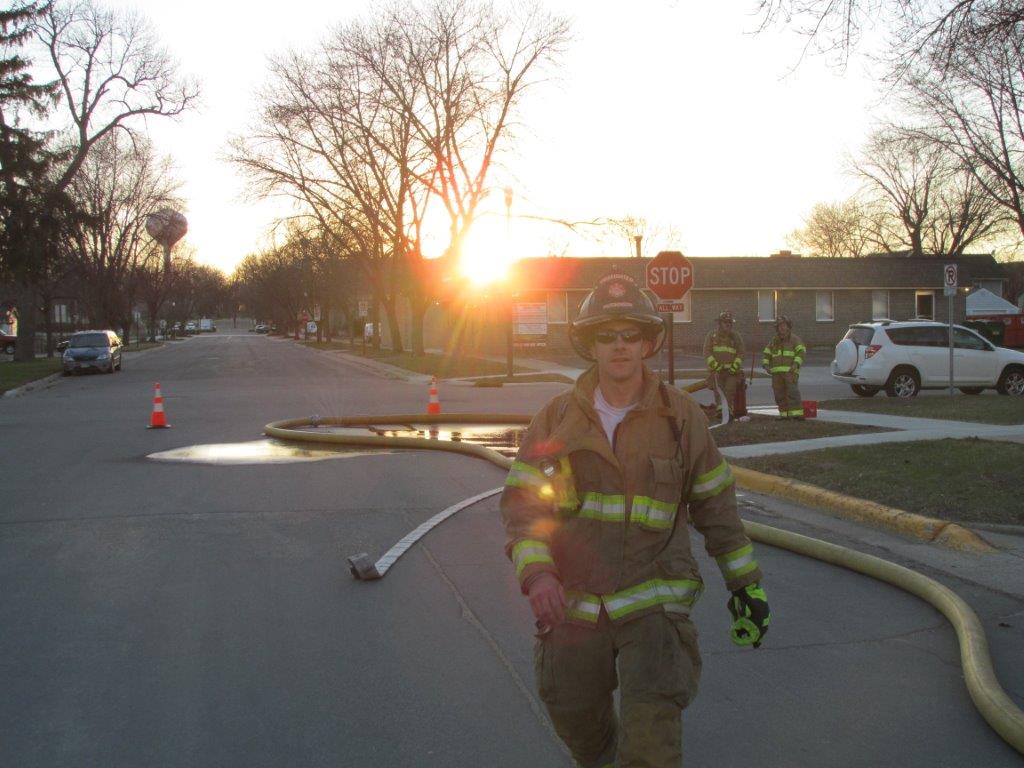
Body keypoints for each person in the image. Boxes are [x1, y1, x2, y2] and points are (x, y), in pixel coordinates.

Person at [501, 273, 770, 768]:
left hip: (655, 606)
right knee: (577, 722)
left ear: (648, 342)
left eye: (630, 334)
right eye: (606, 335)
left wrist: (745, 586)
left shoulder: (681, 419)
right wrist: (538, 574)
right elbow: (523, 509)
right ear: (590, 344)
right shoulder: (555, 420)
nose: (619, 345)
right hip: (575, 607)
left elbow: (715, 506)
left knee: (650, 746)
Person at [702, 311, 745, 419]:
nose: (728, 324)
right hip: (717, 371)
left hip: (732, 372)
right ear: (720, 323)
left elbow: (741, 352)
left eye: (730, 322)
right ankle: (720, 412)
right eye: (725, 322)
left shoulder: (736, 336)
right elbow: (707, 352)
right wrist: (716, 366)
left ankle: (728, 412)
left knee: (729, 390)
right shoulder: (712, 336)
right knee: (718, 392)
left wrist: (735, 367)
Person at [762, 315, 806, 419]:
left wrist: (796, 364)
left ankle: (797, 415)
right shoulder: (774, 341)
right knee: (779, 395)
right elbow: (766, 353)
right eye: (780, 326)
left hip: (790, 372)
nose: (782, 327)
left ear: (788, 326)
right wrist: (766, 365)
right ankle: (784, 415)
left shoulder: (794, 339)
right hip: (776, 373)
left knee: (792, 393)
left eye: (784, 325)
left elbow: (801, 352)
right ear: (777, 328)